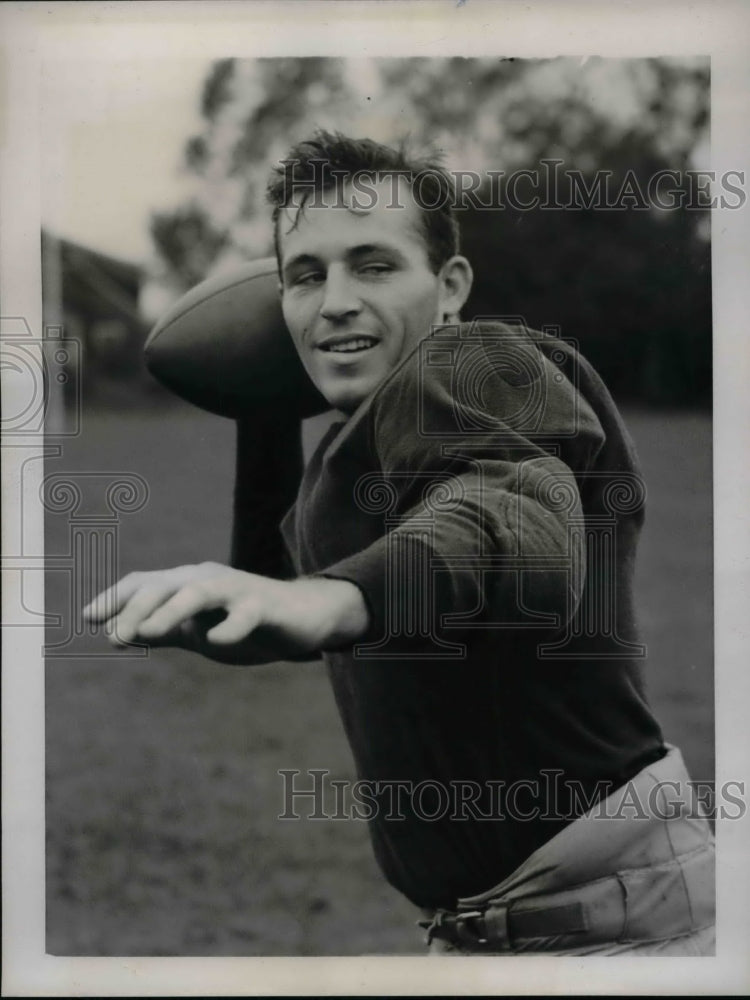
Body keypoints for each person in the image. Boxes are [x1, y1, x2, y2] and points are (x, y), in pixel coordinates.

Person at [83, 131, 715, 955]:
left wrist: (329, 598)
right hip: (508, 929)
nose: (336, 299)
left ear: (450, 287)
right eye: (306, 275)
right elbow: (289, 586)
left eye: (374, 265)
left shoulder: (478, 362)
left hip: (622, 929)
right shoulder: (363, 441)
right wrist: (263, 405)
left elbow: (512, 516)